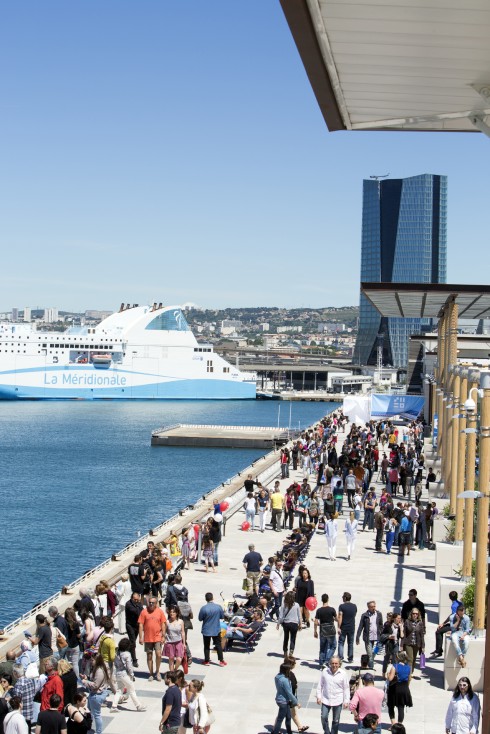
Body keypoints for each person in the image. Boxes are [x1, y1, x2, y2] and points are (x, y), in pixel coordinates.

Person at [316, 656, 350, 734]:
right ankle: (327, 732)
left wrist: (346, 701)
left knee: (336, 720)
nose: (334, 665)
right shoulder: (325, 671)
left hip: (337, 700)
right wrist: (319, 696)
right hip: (326, 699)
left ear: (339, 664)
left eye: (336, 663)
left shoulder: (343, 674)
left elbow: (346, 688)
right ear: (330, 664)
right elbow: (320, 685)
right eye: (332, 663)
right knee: (323, 717)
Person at [81, 654, 114, 734]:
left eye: (92, 660)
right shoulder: (98, 669)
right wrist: (86, 678)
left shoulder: (99, 671)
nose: (91, 662)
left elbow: (95, 685)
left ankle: (99, 732)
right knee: (89, 711)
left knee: (97, 715)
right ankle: (88, 727)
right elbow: (94, 680)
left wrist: (85, 682)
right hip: (94, 694)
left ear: (97, 660)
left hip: (97, 695)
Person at [138, 595, 167, 681]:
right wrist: (140, 637)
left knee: (158, 654)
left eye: (152, 603)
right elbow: (140, 624)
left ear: (156, 603)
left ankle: (157, 671)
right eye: (149, 602)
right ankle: (150, 673)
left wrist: (163, 636)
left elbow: (163, 624)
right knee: (149, 656)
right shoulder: (144, 612)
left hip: (157, 637)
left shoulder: (160, 612)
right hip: (148, 637)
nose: (151, 604)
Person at [111, 638, 145, 712]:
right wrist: (132, 674)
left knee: (119, 690)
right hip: (124, 674)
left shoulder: (116, 652)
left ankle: (114, 706)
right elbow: (129, 666)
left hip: (117, 673)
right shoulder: (127, 654)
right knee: (132, 689)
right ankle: (138, 706)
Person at [385, 651, 412, 728]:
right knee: (401, 707)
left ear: (398, 658)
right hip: (404, 688)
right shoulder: (408, 667)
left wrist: (387, 675)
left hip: (395, 688)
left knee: (391, 706)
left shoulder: (395, 667)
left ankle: (393, 724)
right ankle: (399, 725)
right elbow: (409, 679)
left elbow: (390, 678)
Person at [198, 592, 226, 667]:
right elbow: (222, 617)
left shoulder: (203, 608)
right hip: (216, 629)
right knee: (218, 645)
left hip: (206, 630)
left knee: (206, 646)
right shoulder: (218, 607)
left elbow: (200, 619)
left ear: (205, 599)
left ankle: (206, 661)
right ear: (212, 598)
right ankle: (221, 661)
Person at [431, 591, 460, 658]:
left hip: (455, 625)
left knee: (438, 631)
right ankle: (438, 650)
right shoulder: (460, 603)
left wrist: (444, 624)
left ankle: (438, 651)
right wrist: (444, 623)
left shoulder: (453, 606)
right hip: (457, 624)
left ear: (450, 598)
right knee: (439, 630)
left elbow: (452, 616)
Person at [271, 663, 298, 734]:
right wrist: (296, 702)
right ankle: (275, 732)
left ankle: (289, 732)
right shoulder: (285, 680)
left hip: (280, 699)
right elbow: (289, 693)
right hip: (284, 701)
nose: (290, 671)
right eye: (289, 670)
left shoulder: (277, 677)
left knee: (288, 717)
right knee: (280, 719)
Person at [284, 656, 308, 733]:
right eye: (294, 663)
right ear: (290, 664)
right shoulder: (286, 675)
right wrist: (296, 702)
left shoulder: (290, 673)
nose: (295, 664)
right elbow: (289, 690)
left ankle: (300, 727)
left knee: (292, 713)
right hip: (288, 699)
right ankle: (275, 729)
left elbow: (295, 684)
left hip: (291, 698)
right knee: (282, 715)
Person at [356, 601, 383, 668]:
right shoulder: (364, 615)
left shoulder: (379, 614)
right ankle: (371, 668)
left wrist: (381, 632)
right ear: (368, 607)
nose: (373, 608)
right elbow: (360, 626)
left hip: (377, 637)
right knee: (370, 655)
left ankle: (369, 663)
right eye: (372, 607)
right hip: (368, 638)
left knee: (375, 652)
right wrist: (357, 637)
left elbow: (381, 624)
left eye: (374, 606)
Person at [314, 594, 338, 669]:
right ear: (328, 599)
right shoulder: (332, 609)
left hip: (322, 631)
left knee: (322, 647)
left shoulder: (319, 610)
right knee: (333, 646)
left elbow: (316, 622)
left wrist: (315, 631)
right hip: (330, 631)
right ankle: (327, 659)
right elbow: (337, 619)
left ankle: (321, 663)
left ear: (322, 600)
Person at [11, 664, 36, 731]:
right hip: (30, 713)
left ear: (15, 673)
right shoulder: (30, 681)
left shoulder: (18, 685)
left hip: (22, 715)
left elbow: (16, 702)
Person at [278, 591, 302, 656]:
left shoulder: (284, 604)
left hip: (286, 623)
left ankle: (285, 651)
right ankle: (291, 650)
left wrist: (278, 624)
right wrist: (300, 624)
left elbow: (280, 616)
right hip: (294, 623)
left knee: (286, 637)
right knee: (293, 638)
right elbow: (299, 616)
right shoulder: (297, 605)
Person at [402, 608, 425, 674]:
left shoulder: (420, 623)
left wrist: (423, 646)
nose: (415, 615)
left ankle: (411, 672)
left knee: (414, 659)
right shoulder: (407, 621)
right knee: (410, 659)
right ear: (411, 614)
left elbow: (422, 635)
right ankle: (408, 674)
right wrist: (402, 644)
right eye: (413, 613)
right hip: (408, 643)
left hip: (417, 644)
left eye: (416, 614)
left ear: (418, 615)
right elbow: (405, 633)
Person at [164, 606, 186, 672]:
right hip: (170, 642)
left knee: (179, 659)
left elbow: (183, 632)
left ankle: (175, 670)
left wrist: (184, 643)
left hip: (178, 642)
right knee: (171, 659)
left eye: (173, 612)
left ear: (176, 613)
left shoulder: (181, 622)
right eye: (170, 612)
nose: (172, 614)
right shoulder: (167, 622)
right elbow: (164, 632)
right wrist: (164, 639)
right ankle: (171, 673)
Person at [337, 592, 357, 664]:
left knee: (341, 642)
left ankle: (340, 657)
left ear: (345, 598)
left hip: (343, 627)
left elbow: (340, 617)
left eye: (343, 597)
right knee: (350, 643)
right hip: (351, 627)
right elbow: (354, 615)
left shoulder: (342, 606)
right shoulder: (354, 606)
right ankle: (350, 658)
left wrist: (339, 627)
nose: (342, 598)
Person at [125, 591, 143, 667]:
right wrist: (139, 608)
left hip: (137, 625)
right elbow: (136, 612)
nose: (136, 601)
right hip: (130, 625)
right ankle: (134, 660)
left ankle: (126, 651)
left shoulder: (139, 603)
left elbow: (142, 611)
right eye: (135, 599)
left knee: (132, 641)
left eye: (137, 600)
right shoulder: (128, 604)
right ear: (132, 598)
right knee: (133, 642)